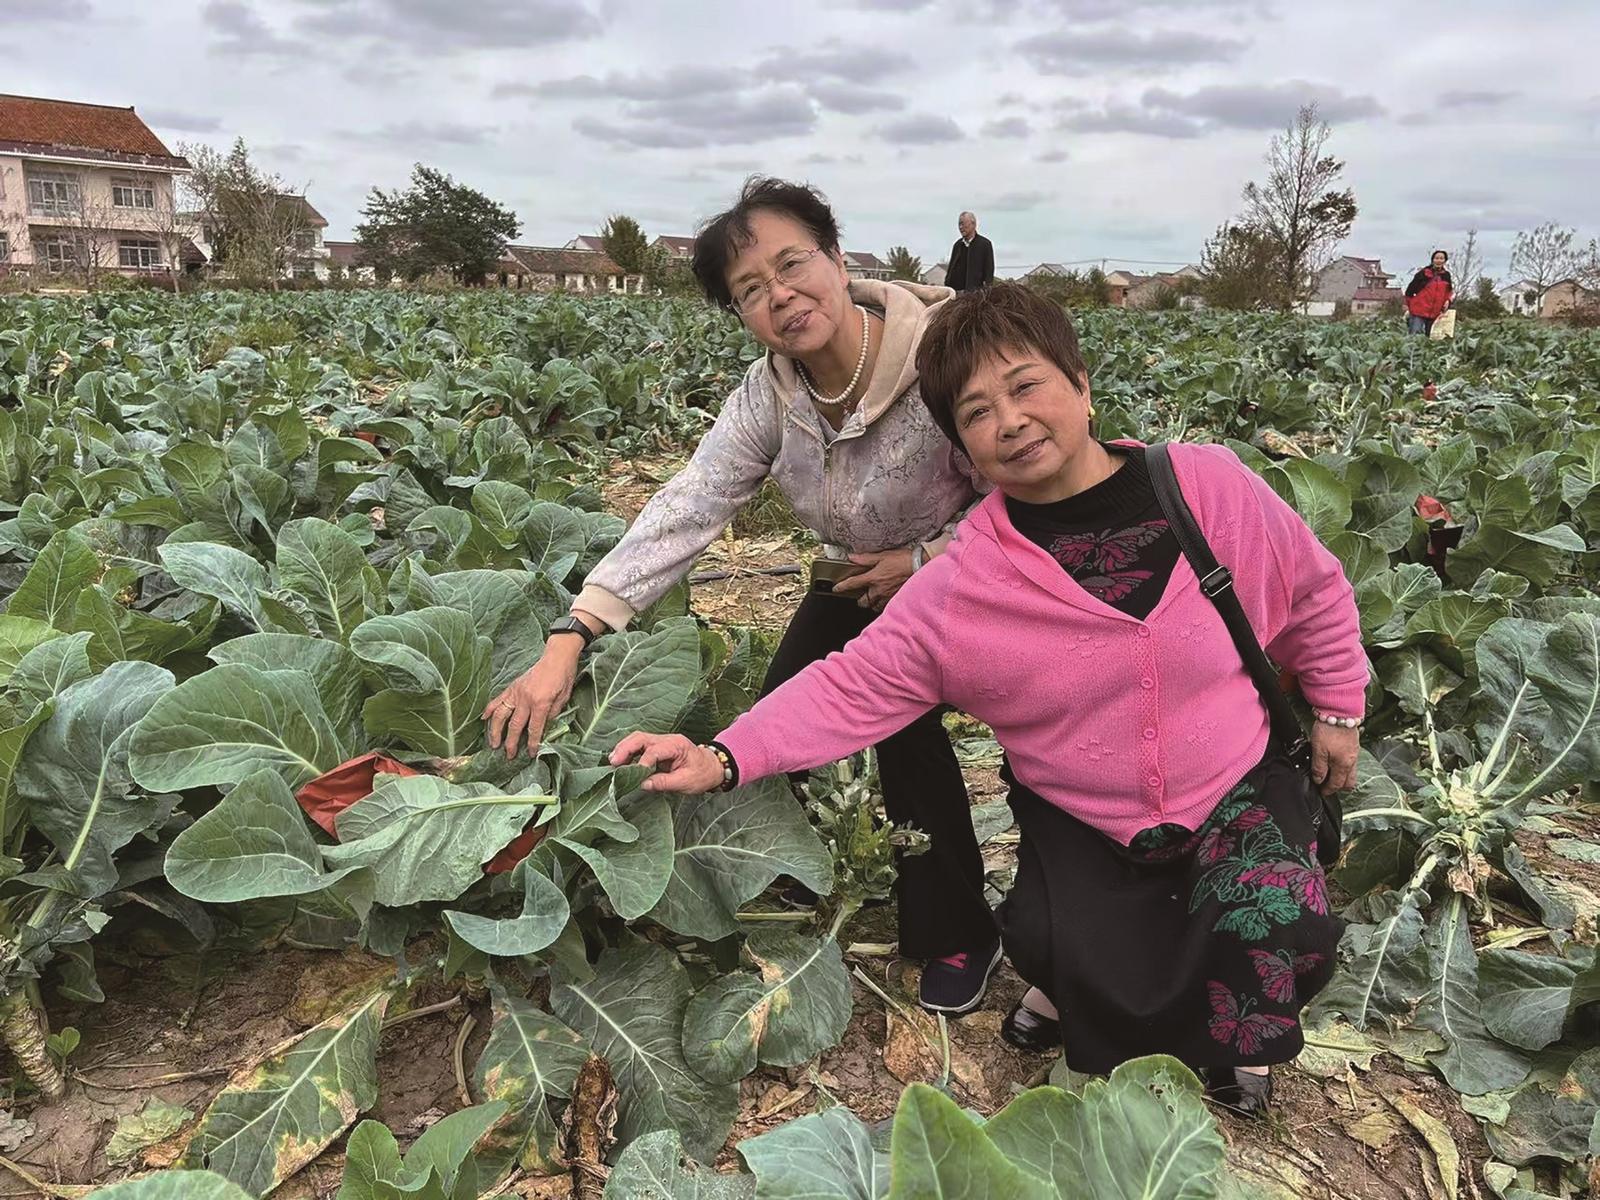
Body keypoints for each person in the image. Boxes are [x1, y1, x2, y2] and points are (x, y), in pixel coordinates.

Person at [612, 283, 1366, 1117]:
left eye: (1026, 384)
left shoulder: (1206, 487)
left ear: (1080, 383)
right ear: (963, 453)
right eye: (975, 412)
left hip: (1234, 787)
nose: (1008, 419)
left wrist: (1338, 706)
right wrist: (723, 756)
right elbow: (853, 682)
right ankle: (1068, 986)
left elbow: (1315, 590)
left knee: (1264, 921)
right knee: (1054, 940)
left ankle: (1237, 1050)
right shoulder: (964, 581)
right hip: (1085, 816)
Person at [484, 177, 1002, 1015]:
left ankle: (958, 928)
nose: (781, 296)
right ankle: (784, 863)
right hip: (855, 576)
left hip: (971, 577)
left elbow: (1021, 490)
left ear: (837, 258)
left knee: (901, 725)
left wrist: (926, 557)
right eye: (751, 291)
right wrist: (572, 632)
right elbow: (688, 505)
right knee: (779, 712)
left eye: (794, 265)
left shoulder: (941, 357)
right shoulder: (772, 396)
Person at [943, 212, 995, 293]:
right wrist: (947, 284)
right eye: (959, 224)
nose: (961, 227)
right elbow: (951, 269)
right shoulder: (957, 245)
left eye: (963, 224)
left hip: (975, 295)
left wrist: (987, 289)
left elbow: (989, 270)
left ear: (973, 224)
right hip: (957, 293)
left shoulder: (985, 244)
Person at [1405, 250, 1453, 335]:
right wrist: (1411, 307)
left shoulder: (1446, 276)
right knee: (1415, 338)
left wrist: (1448, 300)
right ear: (1432, 260)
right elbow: (1409, 291)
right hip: (1418, 312)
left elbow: (1448, 292)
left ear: (1445, 261)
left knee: (1430, 340)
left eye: (1441, 258)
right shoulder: (1423, 273)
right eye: (1436, 258)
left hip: (1435, 314)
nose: (1439, 260)